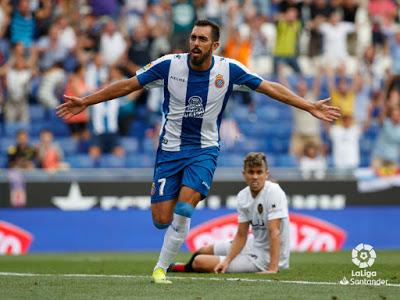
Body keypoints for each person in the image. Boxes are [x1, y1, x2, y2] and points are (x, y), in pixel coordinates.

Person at [57, 20, 341, 284]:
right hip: (169, 151)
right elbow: (129, 84)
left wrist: (308, 105)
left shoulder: (228, 70)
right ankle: (171, 220)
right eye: (193, 37)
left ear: (214, 45)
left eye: (202, 39)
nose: (195, 43)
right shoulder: (169, 65)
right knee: (161, 220)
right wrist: (86, 101)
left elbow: (269, 88)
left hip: (204, 150)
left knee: (183, 208)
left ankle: (160, 268)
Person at [169, 152, 290, 274]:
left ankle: (183, 268)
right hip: (252, 243)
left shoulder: (274, 192)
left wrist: (273, 268)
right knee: (203, 251)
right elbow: (242, 235)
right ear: (244, 174)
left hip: (266, 258)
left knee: (199, 262)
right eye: (251, 172)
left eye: (259, 172)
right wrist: (227, 260)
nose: (255, 177)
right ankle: (185, 267)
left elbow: (274, 232)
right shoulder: (243, 196)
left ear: (266, 174)